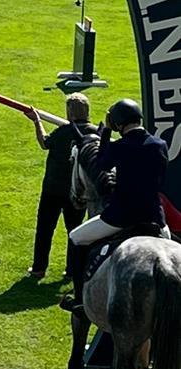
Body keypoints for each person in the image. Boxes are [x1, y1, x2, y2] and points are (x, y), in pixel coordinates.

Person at [63, 98, 169, 315]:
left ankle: (80, 299)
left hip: (121, 215)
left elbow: (101, 164)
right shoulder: (160, 145)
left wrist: (105, 134)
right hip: (154, 217)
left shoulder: (120, 147)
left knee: (76, 238)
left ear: (118, 123)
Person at [26, 94, 96, 281]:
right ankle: (72, 271)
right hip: (79, 193)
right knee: (75, 232)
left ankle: (39, 268)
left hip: (53, 190)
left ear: (69, 113)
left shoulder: (63, 131)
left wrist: (37, 121)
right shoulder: (95, 134)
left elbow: (44, 142)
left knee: (45, 229)